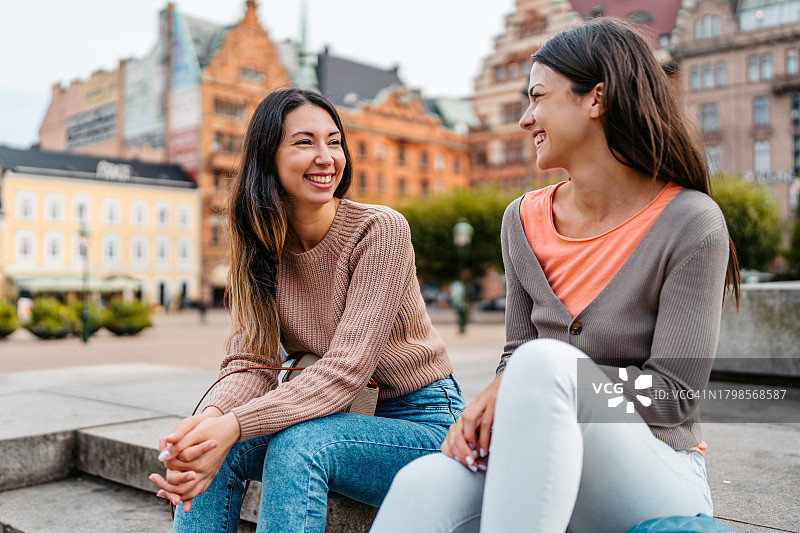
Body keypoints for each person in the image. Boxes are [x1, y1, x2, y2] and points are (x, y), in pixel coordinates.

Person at [371, 18, 740, 533]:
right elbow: (514, 357)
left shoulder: (691, 221)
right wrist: (505, 394)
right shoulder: (520, 221)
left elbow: (672, 396)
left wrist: (551, 386)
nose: (525, 119)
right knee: (422, 484)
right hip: (542, 451)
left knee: (545, 364)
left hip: (656, 474)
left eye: (538, 97)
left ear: (596, 99)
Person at [149, 87, 465, 533]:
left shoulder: (380, 230)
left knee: (300, 444)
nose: (326, 156)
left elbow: (344, 372)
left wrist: (235, 426)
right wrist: (207, 425)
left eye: (334, 142)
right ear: (267, 157)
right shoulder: (261, 244)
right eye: (304, 142)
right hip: (341, 415)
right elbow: (250, 361)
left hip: (424, 423)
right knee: (213, 447)